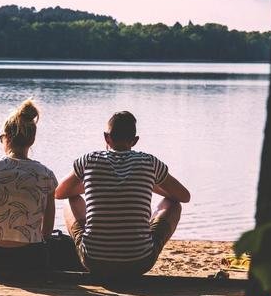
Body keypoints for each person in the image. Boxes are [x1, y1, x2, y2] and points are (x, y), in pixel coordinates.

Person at [55, 111, 190, 278]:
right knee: (173, 204)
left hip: (94, 261)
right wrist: (149, 182)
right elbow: (184, 196)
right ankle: (137, 240)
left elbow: (59, 193)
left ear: (106, 138)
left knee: (70, 200)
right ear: (135, 141)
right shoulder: (149, 162)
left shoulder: (89, 160)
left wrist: (95, 183)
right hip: (140, 261)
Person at [0, 99, 57, 279]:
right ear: (32, 140)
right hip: (32, 261)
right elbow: (47, 231)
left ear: (6, 137)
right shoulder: (45, 174)